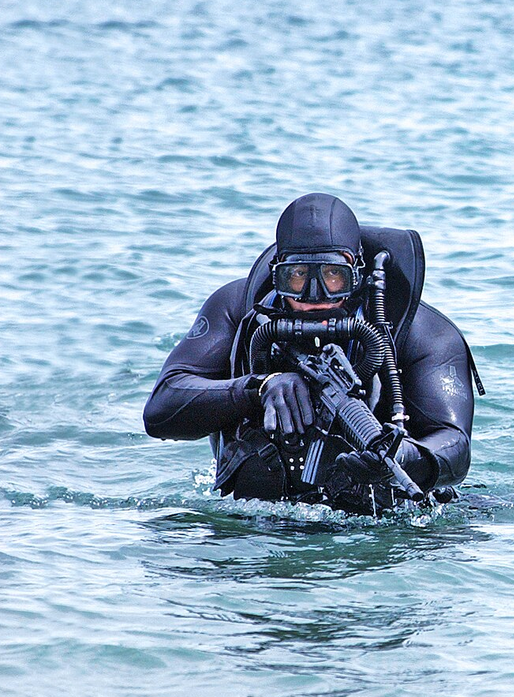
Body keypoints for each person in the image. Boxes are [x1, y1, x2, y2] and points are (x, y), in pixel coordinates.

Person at [144, 193, 483, 513]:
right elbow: (161, 409)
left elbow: (455, 445)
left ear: (358, 273)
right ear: (277, 273)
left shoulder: (423, 332)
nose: (314, 294)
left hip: (377, 522)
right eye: (297, 276)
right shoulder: (237, 310)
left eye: (334, 275)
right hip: (257, 521)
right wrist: (258, 388)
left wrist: (404, 457)